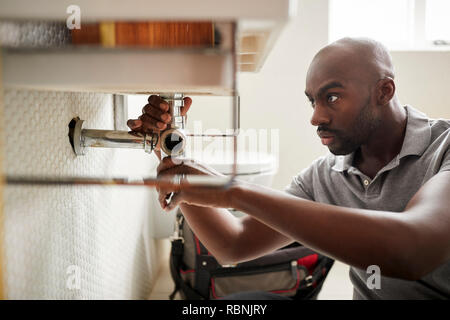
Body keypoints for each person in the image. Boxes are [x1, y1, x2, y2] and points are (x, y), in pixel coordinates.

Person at [127, 37, 450, 299]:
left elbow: (413, 250)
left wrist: (233, 192)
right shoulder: (325, 176)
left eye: (333, 97)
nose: (316, 117)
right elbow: (233, 244)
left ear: (384, 91)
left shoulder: (445, 148)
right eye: (313, 101)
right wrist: (169, 151)